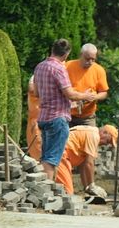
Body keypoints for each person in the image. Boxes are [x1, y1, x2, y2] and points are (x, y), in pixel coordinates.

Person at [33, 39, 95, 181]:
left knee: (46, 157)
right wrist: (86, 95)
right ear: (67, 54)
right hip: (57, 119)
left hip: (43, 118)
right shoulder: (59, 68)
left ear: (52, 50)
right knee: (51, 160)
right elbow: (70, 93)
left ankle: (45, 192)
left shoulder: (40, 67)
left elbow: (36, 93)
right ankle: (46, 195)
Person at [54, 124, 117, 196]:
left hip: (60, 155)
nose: (106, 144)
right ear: (104, 133)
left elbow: (83, 165)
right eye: (108, 141)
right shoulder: (94, 136)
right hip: (60, 156)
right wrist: (92, 185)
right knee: (67, 194)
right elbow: (89, 163)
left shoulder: (90, 133)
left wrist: (87, 187)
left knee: (61, 191)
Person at [66, 43, 110, 127]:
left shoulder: (99, 70)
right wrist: (80, 97)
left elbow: (104, 93)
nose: (90, 62)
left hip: (88, 117)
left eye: (93, 59)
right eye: (87, 59)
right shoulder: (68, 66)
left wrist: (94, 97)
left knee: (91, 138)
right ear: (80, 55)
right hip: (67, 114)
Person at [26, 75, 41, 159]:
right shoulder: (36, 76)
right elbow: (31, 89)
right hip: (36, 121)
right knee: (37, 149)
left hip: (52, 121)